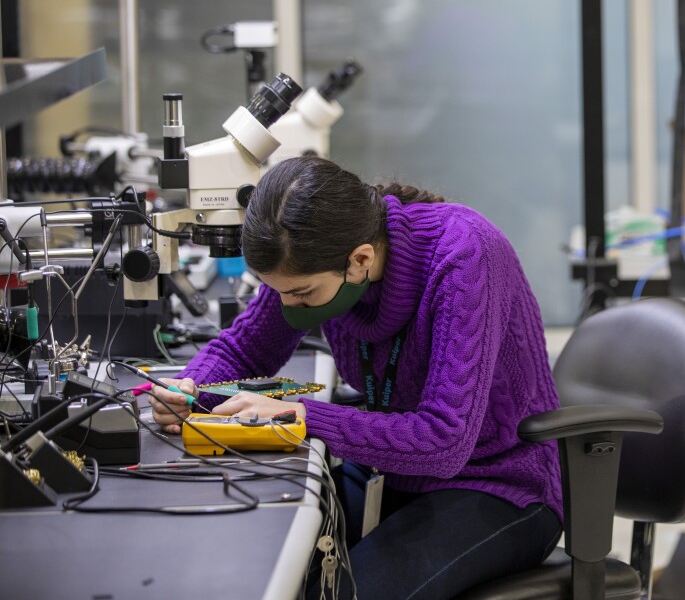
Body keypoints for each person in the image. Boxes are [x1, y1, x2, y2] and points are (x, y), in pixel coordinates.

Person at [150, 155, 563, 599]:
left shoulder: (465, 255)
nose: (289, 306)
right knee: (249, 555)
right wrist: (190, 386)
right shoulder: (311, 258)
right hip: (394, 473)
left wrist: (300, 416)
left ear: (360, 259)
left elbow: (444, 442)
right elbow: (245, 347)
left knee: (341, 593)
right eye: (279, 292)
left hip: (500, 485)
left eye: (302, 294)